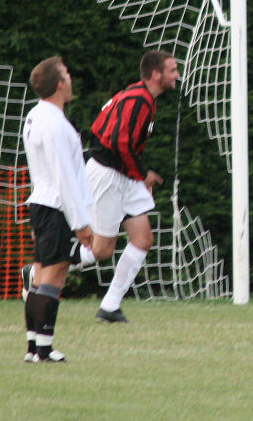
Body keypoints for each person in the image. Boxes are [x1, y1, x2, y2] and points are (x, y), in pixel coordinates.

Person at [79, 50, 180, 323]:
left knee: (143, 239)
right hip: (109, 174)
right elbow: (119, 143)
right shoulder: (138, 100)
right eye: (172, 70)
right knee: (101, 251)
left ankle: (110, 307)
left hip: (124, 173)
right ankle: (48, 264)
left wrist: (137, 176)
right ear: (156, 74)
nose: (177, 75)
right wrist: (142, 174)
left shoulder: (143, 97)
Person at [21, 56, 94, 363]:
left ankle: (35, 347)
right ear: (59, 84)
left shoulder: (40, 115)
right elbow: (64, 176)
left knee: (44, 275)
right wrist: (80, 222)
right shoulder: (52, 123)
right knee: (52, 276)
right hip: (54, 206)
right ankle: (42, 350)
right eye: (66, 73)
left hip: (45, 202)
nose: (71, 77)